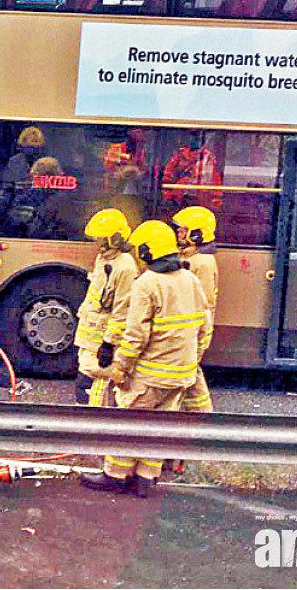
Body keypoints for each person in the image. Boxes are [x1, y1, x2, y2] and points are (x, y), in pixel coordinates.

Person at [81, 220, 209, 498]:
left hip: (149, 375)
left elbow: (136, 335)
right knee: (159, 427)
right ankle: (144, 479)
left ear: (148, 251)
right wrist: (193, 359)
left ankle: (115, 476)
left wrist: (120, 369)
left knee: (128, 423)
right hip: (180, 375)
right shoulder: (191, 279)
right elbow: (204, 325)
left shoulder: (147, 283)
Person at [75, 209, 135, 407]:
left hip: (102, 341)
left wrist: (109, 344)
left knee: (93, 387)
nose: (97, 243)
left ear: (114, 239)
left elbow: (122, 311)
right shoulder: (104, 259)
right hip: (91, 338)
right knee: (86, 385)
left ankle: (92, 427)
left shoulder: (125, 266)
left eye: (101, 239)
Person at [172, 205, 218, 413]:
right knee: (190, 372)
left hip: (193, 329)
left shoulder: (203, 262)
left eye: (183, 230)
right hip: (188, 328)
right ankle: (201, 415)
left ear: (197, 234)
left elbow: (205, 302)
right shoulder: (190, 257)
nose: (178, 233)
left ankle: (200, 416)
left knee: (188, 371)